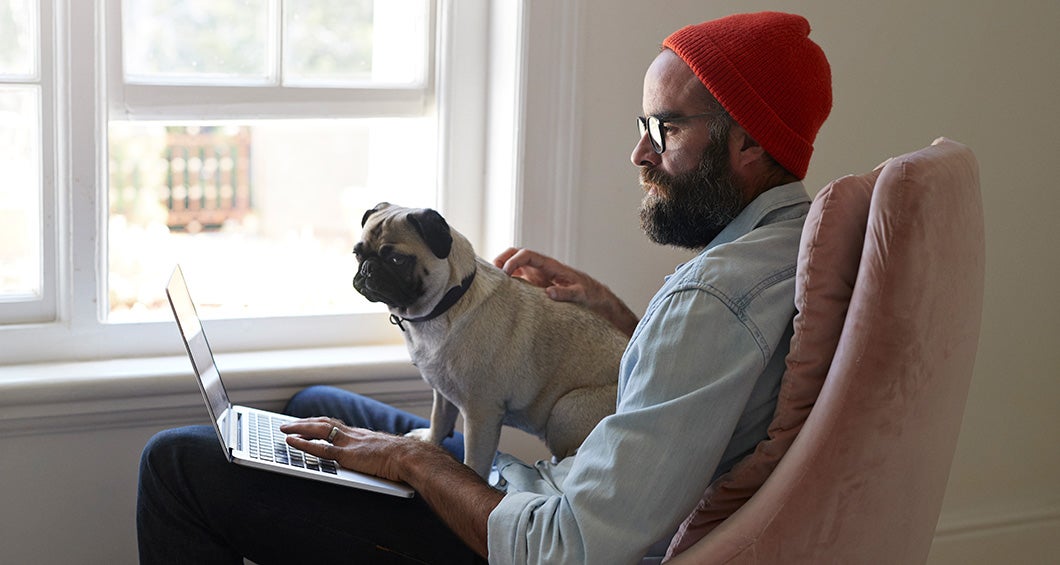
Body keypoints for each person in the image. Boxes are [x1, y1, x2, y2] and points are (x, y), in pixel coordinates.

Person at [137, 11, 832, 564]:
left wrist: (415, 460)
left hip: (529, 535)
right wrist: (622, 319)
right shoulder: (785, 246)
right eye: (641, 126)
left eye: (666, 127)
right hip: (554, 499)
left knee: (174, 464)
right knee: (312, 406)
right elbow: (692, 391)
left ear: (748, 143)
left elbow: (566, 548)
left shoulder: (712, 300)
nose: (639, 152)